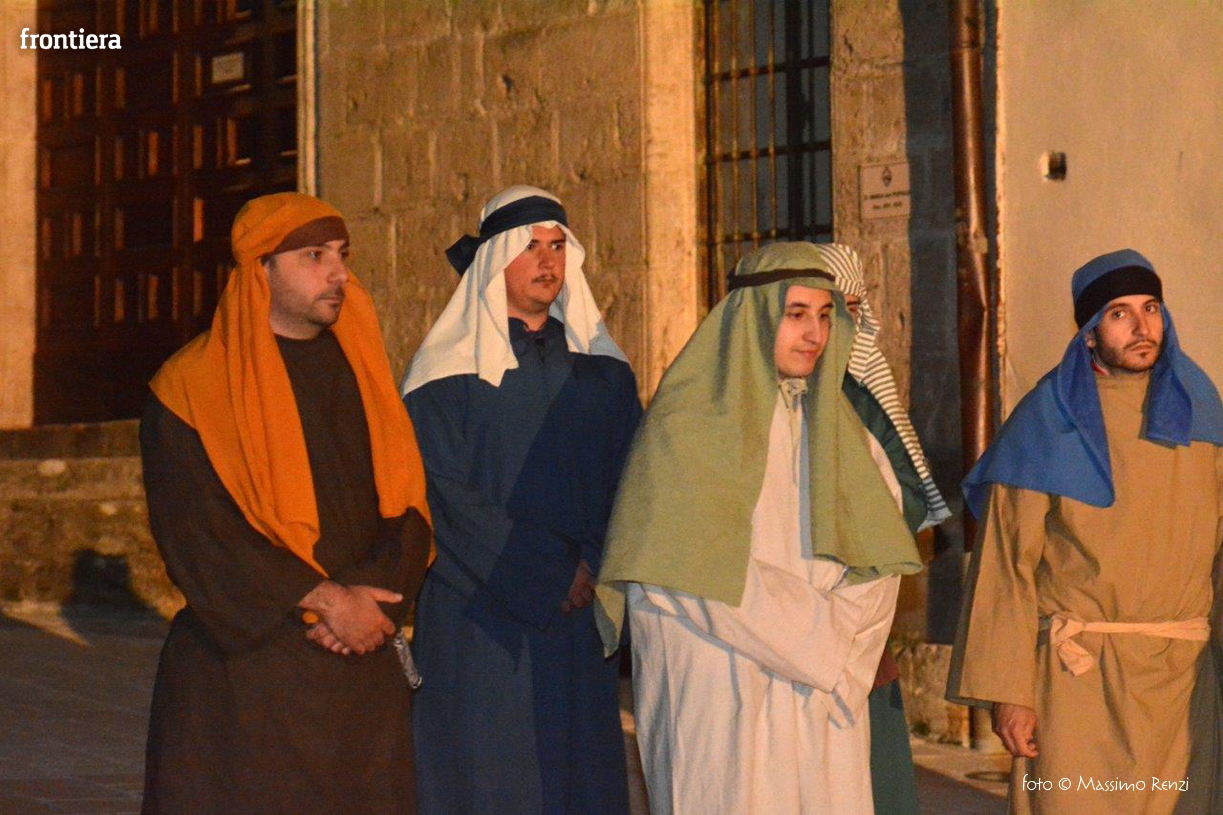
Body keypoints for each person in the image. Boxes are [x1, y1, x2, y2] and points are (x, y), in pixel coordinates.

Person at [596, 241, 922, 813]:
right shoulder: (684, 431)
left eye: (825, 316)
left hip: (822, 701)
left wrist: (839, 650)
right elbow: (686, 574)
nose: (814, 334)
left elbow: (881, 564)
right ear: (753, 318)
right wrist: (823, 642)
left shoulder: (849, 437)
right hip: (724, 687)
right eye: (796, 314)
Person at [140, 192, 434, 812]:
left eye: (343, 255)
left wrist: (369, 605)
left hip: (360, 672)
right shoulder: (188, 389)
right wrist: (327, 602)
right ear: (261, 270)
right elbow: (199, 535)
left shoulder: (364, 373)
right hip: (249, 680)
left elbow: (408, 507)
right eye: (315, 256)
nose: (340, 274)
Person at [948, 249, 1223, 813]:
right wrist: (1010, 695)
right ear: (1090, 333)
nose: (1142, 326)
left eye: (1151, 308)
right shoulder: (1047, 423)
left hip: (1183, 682)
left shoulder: (1203, 416)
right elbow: (1007, 566)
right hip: (1078, 682)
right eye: (1120, 313)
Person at [403, 185, 641, 814]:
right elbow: (439, 493)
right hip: (483, 618)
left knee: (579, 782)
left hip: (580, 619)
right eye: (530, 246)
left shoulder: (603, 372)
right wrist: (547, 571)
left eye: (557, 246)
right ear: (494, 258)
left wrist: (591, 565)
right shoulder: (443, 375)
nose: (547, 260)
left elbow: (631, 481)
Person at [826, 245, 951, 815]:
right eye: (833, 309)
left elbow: (901, 501)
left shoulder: (864, 397)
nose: (845, 326)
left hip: (862, 617)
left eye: (855, 309)